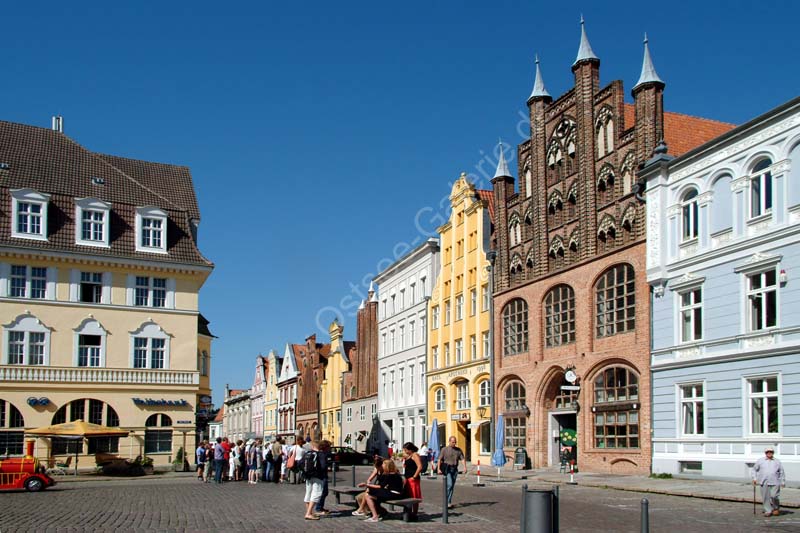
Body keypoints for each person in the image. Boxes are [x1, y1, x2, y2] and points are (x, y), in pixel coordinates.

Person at [753, 446, 786, 517]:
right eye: (767, 452)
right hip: (764, 481)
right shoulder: (760, 460)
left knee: (774, 496)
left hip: (775, 481)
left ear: (773, 453)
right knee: (765, 497)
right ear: (765, 453)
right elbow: (754, 470)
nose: (769, 453)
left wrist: (783, 481)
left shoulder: (777, 461)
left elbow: (781, 472)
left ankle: (776, 508)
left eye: (771, 452)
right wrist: (755, 478)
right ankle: (768, 510)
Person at [436, 436, 467, 509]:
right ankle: (446, 501)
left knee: (452, 486)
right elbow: (439, 459)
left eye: (455, 442)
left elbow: (462, 459)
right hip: (447, 469)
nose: (454, 443)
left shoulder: (458, 450)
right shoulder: (444, 449)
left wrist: (465, 467)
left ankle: (449, 502)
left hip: (455, 469)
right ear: (449, 441)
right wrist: (438, 469)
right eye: (453, 442)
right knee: (449, 484)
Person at [303, 440, 328, 520]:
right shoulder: (320, 454)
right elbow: (323, 466)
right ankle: (308, 514)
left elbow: (300, 463)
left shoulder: (308, 453)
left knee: (308, 494)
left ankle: (309, 512)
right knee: (316, 494)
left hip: (308, 476)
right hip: (318, 476)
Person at [402, 442, 423, 519]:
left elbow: (420, 466)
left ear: (410, 449)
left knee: (414, 496)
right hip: (407, 478)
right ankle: (408, 513)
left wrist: (414, 476)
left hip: (413, 479)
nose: (405, 451)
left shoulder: (415, 455)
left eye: (406, 450)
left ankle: (414, 514)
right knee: (409, 496)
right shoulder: (409, 456)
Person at [314, 440, 332, 516]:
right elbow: (323, 465)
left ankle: (320, 507)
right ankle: (318, 508)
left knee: (324, 492)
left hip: (319, 475)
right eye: (329, 447)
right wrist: (327, 467)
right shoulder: (322, 454)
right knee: (323, 492)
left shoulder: (318, 453)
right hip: (322, 476)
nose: (329, 448)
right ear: (325, 447)